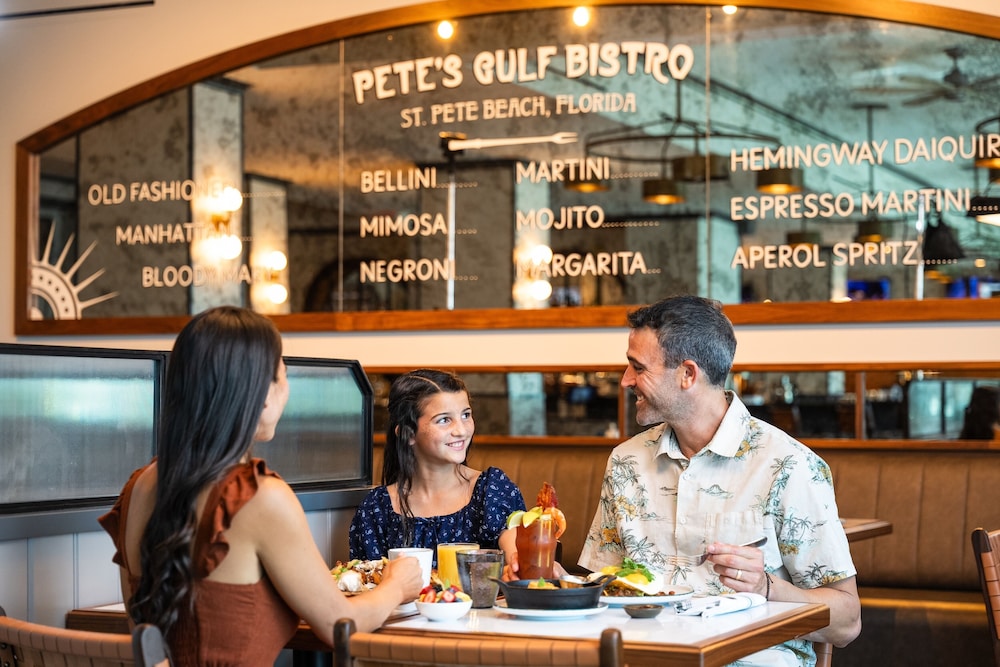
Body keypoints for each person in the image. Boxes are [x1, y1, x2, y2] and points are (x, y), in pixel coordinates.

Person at [99, 306, 422, 664]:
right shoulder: (258, 496)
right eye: (283, 376)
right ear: (262, 392)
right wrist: (397, 586)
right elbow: (340, 625)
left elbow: (142, 628)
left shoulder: (139, 487)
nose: (286, 390)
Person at [578, 295, 861, 666]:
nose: (625, 380)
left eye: (638, 367)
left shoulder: (789, 466)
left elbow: (847, 623)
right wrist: (557, 584)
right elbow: (602, 585)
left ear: (688, 374)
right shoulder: (625, 462)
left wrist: (765, 587)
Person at [349, 369, 525, 567]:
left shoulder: (491, 490)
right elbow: (367, 579)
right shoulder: (376, 509)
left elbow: (519, 558)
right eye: (444, 420)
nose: (461, 430)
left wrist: (522, 564)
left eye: (466, 415)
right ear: (408, 433)